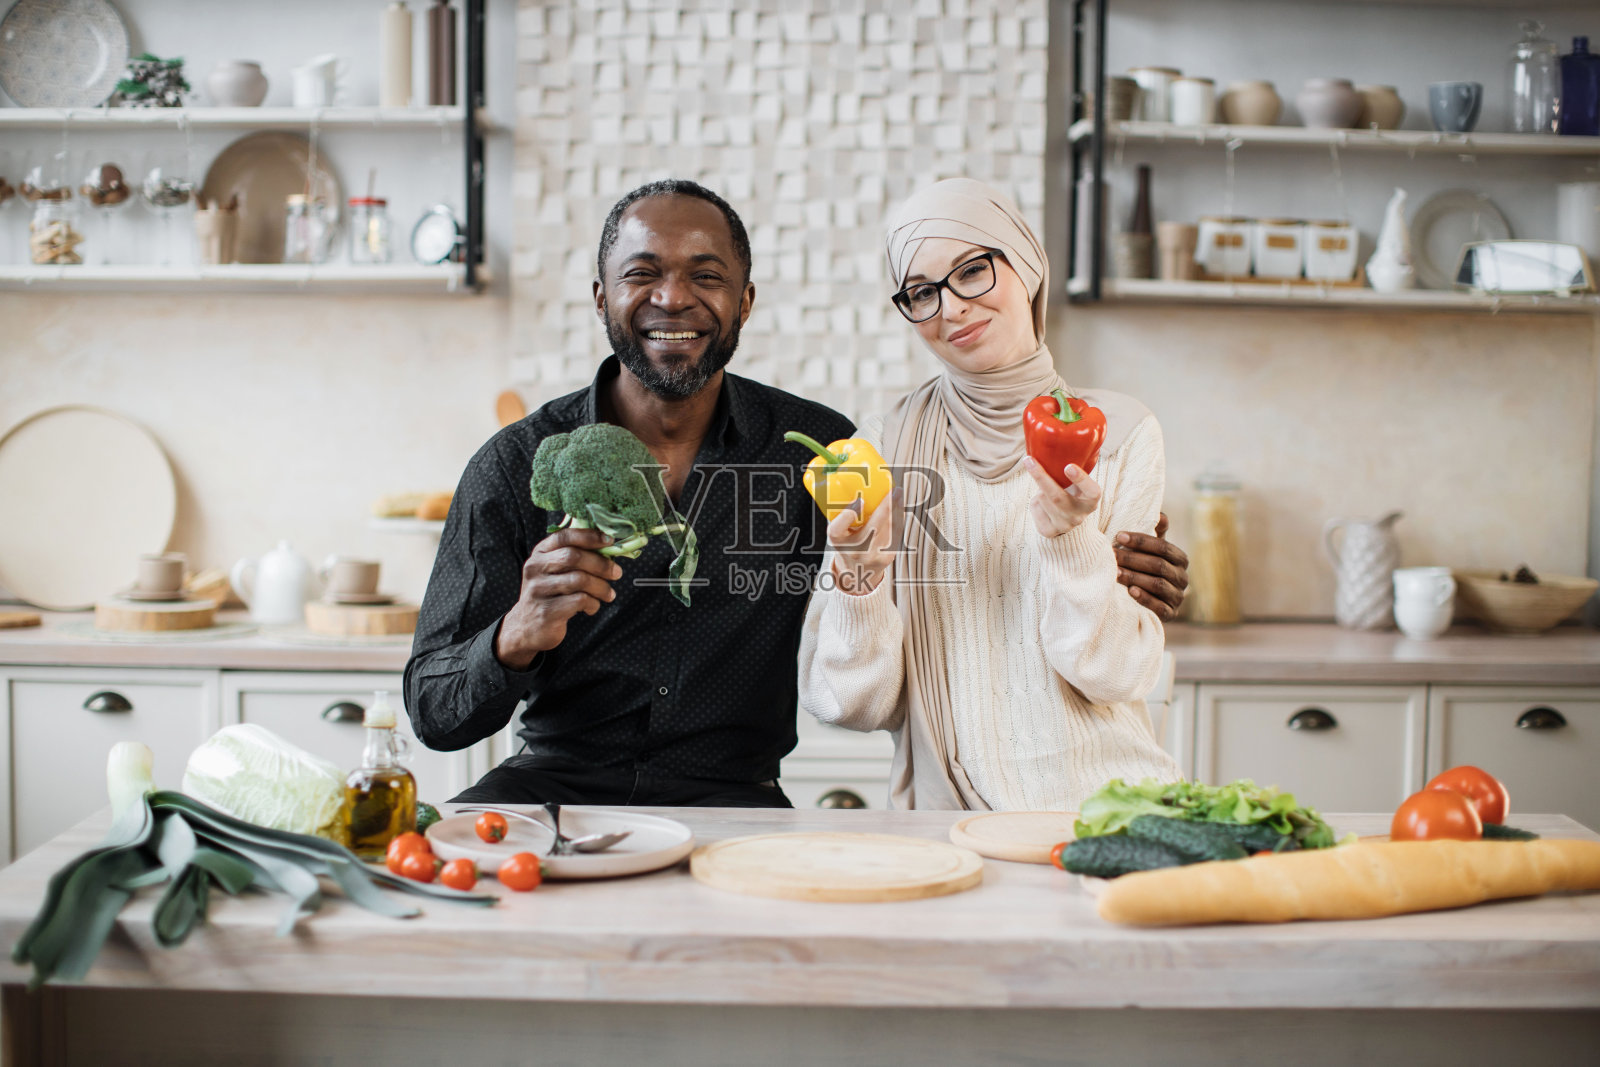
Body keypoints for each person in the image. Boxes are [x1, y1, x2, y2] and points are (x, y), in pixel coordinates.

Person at [405, 178, 1188, 807]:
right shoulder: (516, 464)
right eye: (642, 274)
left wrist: (1104, 560)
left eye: (706, 276)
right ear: (600, 295)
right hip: (553, 789)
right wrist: (511, 635)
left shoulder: (818, 454)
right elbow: (435, 713)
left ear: (746, 303)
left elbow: (898, 624)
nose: (673, 298)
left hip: (735, 802)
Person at [797, 177, 1181, 811]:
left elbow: (1114, 674)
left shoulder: (1119, 435)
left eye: (971, 271)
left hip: (1104, 808)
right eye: (921, 292)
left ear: (1026, 265)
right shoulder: (883, 449)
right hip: (946, 824)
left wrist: (1070, 540)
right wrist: (859, 576)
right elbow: (849, 702)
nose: (951, 308)